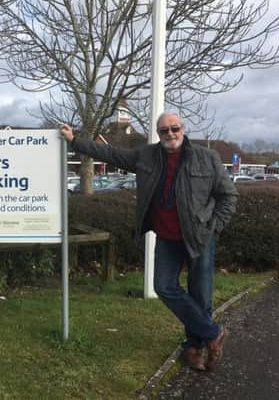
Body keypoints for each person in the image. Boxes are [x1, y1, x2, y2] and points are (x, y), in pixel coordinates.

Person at [60, 112, 238, 372]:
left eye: (174, 128)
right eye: (164, 131)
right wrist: (75, 140)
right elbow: (110, 154)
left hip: (199, 238)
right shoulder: (146, 156)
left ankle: (194, 346)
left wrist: (215, 227)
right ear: (158, 133)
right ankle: (213, 334)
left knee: (200, 296)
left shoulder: (206, 157)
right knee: (164, 286)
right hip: (167, 238)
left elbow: (228, 196)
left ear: (183, 129)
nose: (170, 134)